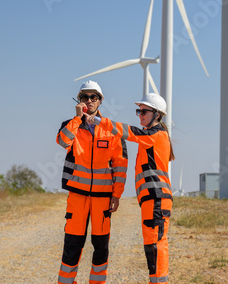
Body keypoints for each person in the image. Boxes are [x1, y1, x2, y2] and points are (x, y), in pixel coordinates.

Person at [85, 93, 174, 284]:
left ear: (157, 114)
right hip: (153, 199)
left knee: (155, 245)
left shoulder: (154, 135)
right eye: (138, 111)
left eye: (144, 111)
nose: (140, 115)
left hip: (156, 198)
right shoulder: (152, 136)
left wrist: (100, 121)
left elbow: (128, 131)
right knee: (152, 244)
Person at [56, 80, 128, 284]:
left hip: (103, 199)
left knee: (101, 247)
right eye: (84, 97)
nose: (88, 101)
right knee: (72, 244)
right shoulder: (70, 126)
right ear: (78, 100)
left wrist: (117, 195)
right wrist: (77, 119)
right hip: (77, 196)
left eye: (93, 97)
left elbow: (120, 166)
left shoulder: (113, 130)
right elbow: (63, 141)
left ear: (100, 100)